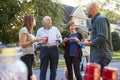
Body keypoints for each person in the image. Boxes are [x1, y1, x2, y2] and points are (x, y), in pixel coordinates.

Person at [79, 2, 113, 76]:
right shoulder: (96, 21)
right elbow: (99, 37)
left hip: (100, 55)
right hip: (97, 55)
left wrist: (89, 43)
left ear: (91, 10)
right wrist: (88, 41)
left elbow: (102, 37)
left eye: (86, 10)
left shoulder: (100, 19)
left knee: (97, 77)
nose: (86, 12)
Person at [36, 16, 62, 80]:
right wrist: (42, 41)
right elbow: (36, 42)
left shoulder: (55, 29)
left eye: (50, 19)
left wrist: (59, 39)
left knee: (54, 70)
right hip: (44, 49)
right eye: (48, 20)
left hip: (54, 49)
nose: (50, 21)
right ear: (44, 22)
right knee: (43, 69)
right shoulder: (40, 30)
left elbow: (60, 38)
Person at [19, 14, 43, 80]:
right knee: (29, 76)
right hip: (25, 56)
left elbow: (32, 46)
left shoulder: (30, 32)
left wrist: (34, 56)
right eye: (34, 19)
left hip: (30, 56)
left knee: (29, 76)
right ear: (30, 20)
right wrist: (33, 41)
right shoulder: (24, 30)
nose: (35, 20)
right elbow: (22, 44)